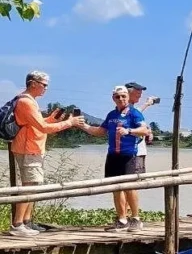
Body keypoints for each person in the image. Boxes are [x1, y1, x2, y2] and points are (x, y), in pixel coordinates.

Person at [4, 71, 84, 237]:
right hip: (28, 148)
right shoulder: (26, 102)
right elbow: (43, 128)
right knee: (29, 186)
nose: (46, 88)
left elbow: (37, 124)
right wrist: (69, 122)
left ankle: (26, 221)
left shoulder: (29, 101)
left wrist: (52, 120)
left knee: (33, 185)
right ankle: (18, 223)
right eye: (44, 84)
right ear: (33, 83)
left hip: (32, 147)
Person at [79, 86, 150, 232]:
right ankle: (122, 220)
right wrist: (82, 126)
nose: (121, 99)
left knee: (129, 187)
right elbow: (100, 131)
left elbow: (145, 130)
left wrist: (129, 130)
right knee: (115, 188)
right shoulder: (111, 115)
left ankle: (136, 218)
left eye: (124, 96)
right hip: (112, 156)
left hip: (128, 155)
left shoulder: (134, 114)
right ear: (113, 98)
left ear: (128, 97)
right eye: (118, 97)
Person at [123, 81, 158, 230]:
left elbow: (139, 115)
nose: (140, 94)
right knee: (128, 185)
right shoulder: (125, 109)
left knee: (130, 185)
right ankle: (127, 216)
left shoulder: (133, 110)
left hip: (136, 152)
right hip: (131, 152)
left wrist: (147, 130)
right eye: (137, 92)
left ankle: (129, 216)